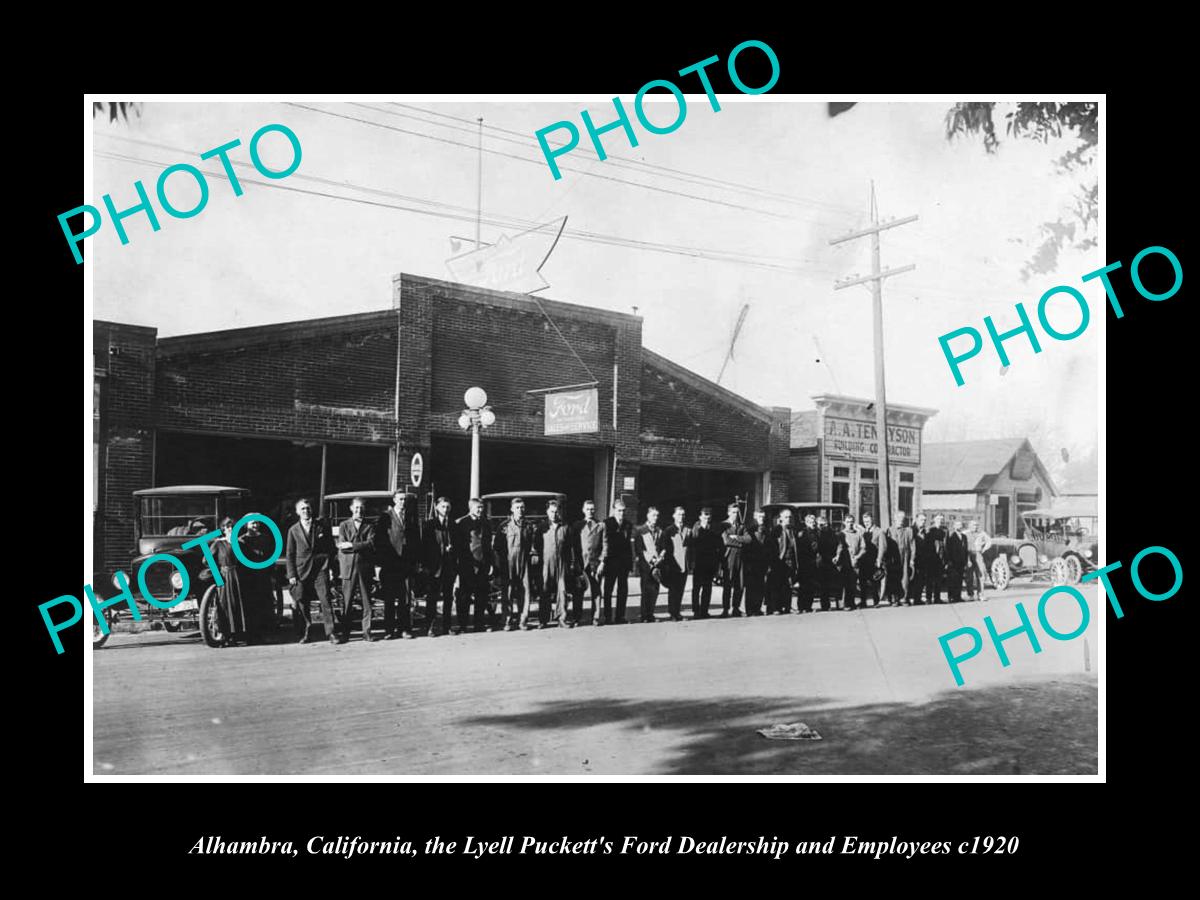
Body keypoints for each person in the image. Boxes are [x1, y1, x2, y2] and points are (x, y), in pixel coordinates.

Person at [285, 497, 336, 644]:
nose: (306, 511)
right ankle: (307, 632)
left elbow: (330, 548)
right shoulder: (293, 531)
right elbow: (290, 554)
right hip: (302, 571)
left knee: (325, 599)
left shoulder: (321, 526)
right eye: (302, 509)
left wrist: (330, 568)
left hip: (320, 570)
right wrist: (292, 574)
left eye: (308, 508)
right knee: (302, 602)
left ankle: (331, 632)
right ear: (297, 512)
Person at [374, 490, 421, 640]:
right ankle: (389, 630)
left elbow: (415, 539)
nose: (403, 502)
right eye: (400, 499)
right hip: (390, 563)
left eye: (404, 500)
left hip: (406, 563)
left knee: (405, 598)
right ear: (394, 500)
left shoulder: (411, 517)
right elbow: (380, 540)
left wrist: (415, 561)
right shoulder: (385, 517)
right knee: (389, 598)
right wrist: (382, 561)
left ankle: (404, 629)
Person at [336, 497, 375, 642]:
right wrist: (359, 545)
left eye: (361, 508)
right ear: (351, 509)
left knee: (367, 601)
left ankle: (367, 631)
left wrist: (351, 545)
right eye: (356, 508)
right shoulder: (344, 525)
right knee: (347, 601)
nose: (359, 510)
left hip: (365, 567)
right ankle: (345, 633)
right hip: (348, 567)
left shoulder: (369, 526)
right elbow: (341, 545)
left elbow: (371, 544)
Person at [497, 497, 538, 631]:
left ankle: (522, 620)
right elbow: (497, 546)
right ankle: (507, 620)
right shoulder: (504, 526)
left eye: (522, 508)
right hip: (508, 562)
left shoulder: (529, 526)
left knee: (525, 590)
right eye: (517, 508)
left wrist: (532, 555)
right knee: (507, 591)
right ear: (512, 509)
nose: (520, 510)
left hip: (524, 561)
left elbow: (533, 544)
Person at [455, 498, 494, 632]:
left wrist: (490, 563)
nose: (480, 510)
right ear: (470, 508)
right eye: (478, 508)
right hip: (468, 564)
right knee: (464, 596)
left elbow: (488, 545)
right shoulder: (461, 523)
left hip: (483, 564)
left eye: (482, 507)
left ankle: (479, 624)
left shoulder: (486, 523)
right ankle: (463, 625)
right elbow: (459, 546)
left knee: (481, 596)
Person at [212, 516, 252, 646]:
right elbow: (206, 560)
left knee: (238, 604)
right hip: (224, 576)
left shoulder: (240, 544)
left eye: (233, 527)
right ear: (223, 529)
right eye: (228, 527)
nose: (231, 529)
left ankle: (239, 635)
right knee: (224, 605)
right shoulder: (218, 543)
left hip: (238, 576)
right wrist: (218, 574)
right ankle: (226, 635)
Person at [571, 500, 608, 626]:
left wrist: (602, 562)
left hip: (595, 563)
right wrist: (574, 562)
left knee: (596, 590)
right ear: (583, 510)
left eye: (592, 509)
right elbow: (574, 546)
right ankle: (577, 617)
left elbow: (605, 545)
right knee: (578, 590)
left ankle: (596, 616)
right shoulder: (577, 525)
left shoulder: (601, 525)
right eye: (587, 509)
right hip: (581, 563)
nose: (590, 511)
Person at [423, 497, 456, 635]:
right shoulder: (429, 525)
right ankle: (430, 626)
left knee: (448, 598)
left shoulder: (454, 525)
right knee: (432, 598)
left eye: (448, 507)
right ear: (436, 507)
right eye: (443, 507)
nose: (446, 510)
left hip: (449, 567)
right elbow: (425, 546)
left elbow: (459, 545)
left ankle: (447, 626)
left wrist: (452, 549)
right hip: (434, 567)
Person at [602, 499, 636, 625]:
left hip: (623, 563)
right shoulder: (607, 523)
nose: (621, 513)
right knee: (608, 591)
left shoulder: (628, 524)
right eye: (619, 511)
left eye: (623, 511)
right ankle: (607, 617)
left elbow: (628, 545)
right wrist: (604, 561)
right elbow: (604, 543)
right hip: (611, 563)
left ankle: (620, 616)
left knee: (623, 590)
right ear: (613, 510)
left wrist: (630, 563)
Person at [540, 500, 573, 628]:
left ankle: (562, 617)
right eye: (551, 512)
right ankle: (543, 619)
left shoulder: (565, 527)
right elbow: (537, 544)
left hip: (562, 562)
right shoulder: (542, 527)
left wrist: (570, 563)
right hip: (546, 562)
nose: (554, 514)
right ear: (547, 512)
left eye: (556, 512)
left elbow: (570, 546)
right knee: (545, 589)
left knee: (562, 590)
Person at [686, 507, 723, 619]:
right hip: (698, 562)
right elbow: (690, 548)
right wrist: (691, 562)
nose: (707, 517)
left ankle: (704, 610)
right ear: (700, 516)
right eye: (705, 515)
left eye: (709, 515)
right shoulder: (695, 529)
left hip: (709, 563)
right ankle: (696, 611)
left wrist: (716, 564)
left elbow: (717, 546)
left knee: (707, 587)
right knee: (696, 588)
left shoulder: (714, 530)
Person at [635, 506, 667, 623]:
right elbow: (639, 549)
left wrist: (661, 556)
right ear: (648, 516)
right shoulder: (641, 530)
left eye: (657, 516)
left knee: (655, 589)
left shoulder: (660, 531)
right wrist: (650, 561)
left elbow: (663, 547)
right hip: (646, 565)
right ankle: (644, 615)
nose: (655, 518)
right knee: (646, 589)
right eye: (653, 515)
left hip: (657, 565)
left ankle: (651, 613)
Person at [718, 503, 751, 617]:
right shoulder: (723, 525)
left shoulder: (741, 525)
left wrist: (737, 537)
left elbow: (749, 539)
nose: (735, 515)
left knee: (740, 584)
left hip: (741, 558)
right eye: (733, 512)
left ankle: (736, 608)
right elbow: (726, 541)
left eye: (737, 512)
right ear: (728, 513)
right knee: (728, 583)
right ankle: (725, 609)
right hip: (729, 557)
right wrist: (741, 543)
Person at [661, 506, 691, 621]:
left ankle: (677, 612)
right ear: (674, 516)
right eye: (679, 514)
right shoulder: (669, 531)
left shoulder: (687, 530)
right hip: (673, 565)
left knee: (680, 590)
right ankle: (673, 613)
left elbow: (691, 547)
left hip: (684, 564)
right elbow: (665, 548)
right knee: (673, 590)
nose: (681, 517)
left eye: (683, 514)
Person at [768, 508, 799, 615]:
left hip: (791, 561)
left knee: (788, 585)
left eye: (790, 517)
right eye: (786, 517)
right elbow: (772, 546)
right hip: (779, 561)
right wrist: (773, 561)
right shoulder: (776, 530)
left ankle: (788, 606)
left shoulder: (793, 530)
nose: (788, 519)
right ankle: (776, 607)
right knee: (778, 584)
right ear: (780, 518)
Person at [743, 509, 771, 616]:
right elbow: (746, 545)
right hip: (752, 562)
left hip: (763, 562)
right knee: (751, 587)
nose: (762, 519)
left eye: (763, 517)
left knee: (760, 586)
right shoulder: (749, 529)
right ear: (755, 517)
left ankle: (757, 607)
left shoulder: (766, 530)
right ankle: (750, 609)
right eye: (759, 516)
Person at [886, 511, 915, 606]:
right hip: (894, 557)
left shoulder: (908, 530)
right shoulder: (889, 530)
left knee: (905, 578)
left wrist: (912, 559)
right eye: (899, 518)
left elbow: (912, 545)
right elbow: (886, 546)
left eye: (902, 518)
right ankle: (895, 599)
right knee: (894, 577)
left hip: (906, 556)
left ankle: (904, 598)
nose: (901, 520)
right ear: (895, 519)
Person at [858, 513, 885, 608]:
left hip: (873, 560)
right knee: (862, 581)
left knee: (874, 581)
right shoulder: (862, 532)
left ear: (873, 520)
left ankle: (876, 601)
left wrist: (879, 559)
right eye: (865, 522)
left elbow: (882, 547)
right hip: (863, 560)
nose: (866, 523)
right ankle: (863, 601)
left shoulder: (879, 531)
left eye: (868, 521)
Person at [795, 513, 820, 613]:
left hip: (814, 562)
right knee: (804, 586)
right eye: (810, 522)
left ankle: (808, 606)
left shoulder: (817, 533)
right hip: (805, 562)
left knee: (811, 585)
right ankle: (801, 606)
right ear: (806, 523)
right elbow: (800, 549)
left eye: (814, 522)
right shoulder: (802, 534)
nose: (813, 524)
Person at [921, 514, 948, 604]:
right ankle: (928, 598)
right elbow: (926, 545)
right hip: (931, 558)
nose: (940, 521)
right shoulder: (930, 530)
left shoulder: (944, 531)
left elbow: (945, 545)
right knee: (929, 579)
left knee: (938, 579)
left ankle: (937, 598)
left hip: (941, 558)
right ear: (934, 520)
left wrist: (945, 559)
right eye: (938, 519)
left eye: (942, 519)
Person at [815, 515, 841, 611]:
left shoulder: (832, 533)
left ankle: (832, 604)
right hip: (819, 561)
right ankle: (824, 605)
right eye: (821, 525)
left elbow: (839, 544)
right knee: (821, 584)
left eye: (825, 524)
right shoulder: (816, 533)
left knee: (829, 583)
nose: (824, 527)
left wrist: (837, 555)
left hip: (831, 560)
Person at [841, 514, 865, 611]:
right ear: (844, 523)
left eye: (851, 522)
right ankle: (845, 604)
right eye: (847, 522)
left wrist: (857, 557)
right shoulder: (841, 534)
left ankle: (852, 603)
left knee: (853, 584)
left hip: (855, 563)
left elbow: (863, 548)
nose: (850, 524)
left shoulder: (858, 534)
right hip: (845, 563)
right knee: (845, 584)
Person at [966, 520, 992, 601]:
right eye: (973, 525)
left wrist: (984, 549)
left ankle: (980, 594)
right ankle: (970, 595)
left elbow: (989, 541)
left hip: (978, 554)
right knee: (969, 575)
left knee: (980, 575)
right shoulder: (965, 533)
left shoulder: (982, 533)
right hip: (969, 554)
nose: (975, 527)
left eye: (976, 525)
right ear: (969, 526)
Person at [945, 519, 969, 603]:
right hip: (953, 562)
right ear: (954, 526)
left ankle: (958, 596)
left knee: (959, 580)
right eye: (957, 525)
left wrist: (966, 561)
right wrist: (949, 561)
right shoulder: (951, 536)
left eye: (960, 524)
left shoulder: (964, 537)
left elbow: (965, 550)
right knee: (952, 580)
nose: (959, 526)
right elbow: (949, 549)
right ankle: (951, 597)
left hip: (961, 562)